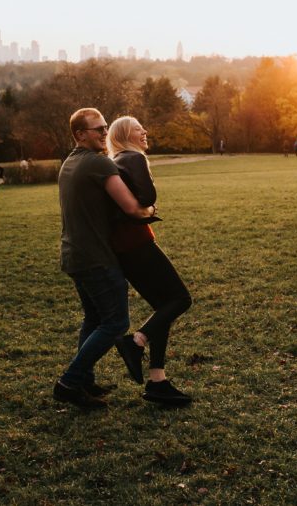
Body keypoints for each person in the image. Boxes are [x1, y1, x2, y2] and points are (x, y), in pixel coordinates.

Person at [54, 108, 157, 409]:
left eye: (105, 127)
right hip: (96, 257)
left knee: (94, 318)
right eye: (97, 129)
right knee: (116, 322)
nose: (104, 132)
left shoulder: (69, 162)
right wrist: (151, 210)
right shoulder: (98, 163)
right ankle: (69, 382)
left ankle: (84, 380)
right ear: (80, 134)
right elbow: (132, 207)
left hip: (74, 255)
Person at [107, 116, 193, 406]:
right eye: (137, 129)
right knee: (181, 299)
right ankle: (136, 342)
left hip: (122, 248)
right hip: (137, 243)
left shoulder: (116, 160)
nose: (144, 131)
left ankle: (158, 382)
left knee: (163, 309)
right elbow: (147, 197)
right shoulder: (133, 158)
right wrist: (151, 207)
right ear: (124, 135)